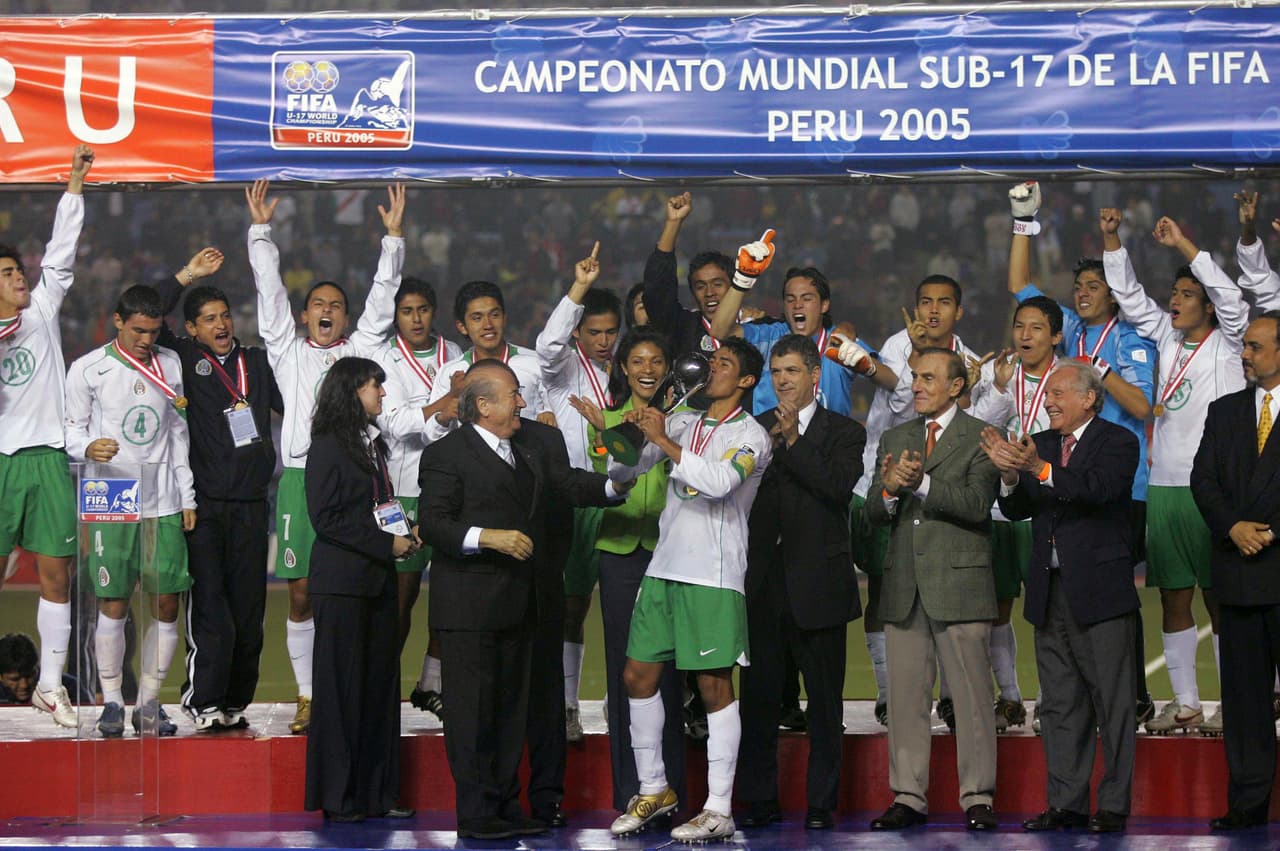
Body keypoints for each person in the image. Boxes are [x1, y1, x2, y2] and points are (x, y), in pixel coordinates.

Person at [418, 361, 622, 841]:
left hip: (523, 604)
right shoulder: (446, 454)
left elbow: (568, 484)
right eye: (514, 395)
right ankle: (477, 812)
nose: (524, 403)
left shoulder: (532, 444)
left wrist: (616, 485)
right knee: (473, 714)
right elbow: (434, 523)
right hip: (470, 608)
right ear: (483, 405)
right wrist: (488, 537)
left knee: (511, 713)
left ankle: (507, 807)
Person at [247, 179, 404, 734]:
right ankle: (309, 695)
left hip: (355, 480)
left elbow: (381, 304)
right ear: (304, 314)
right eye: (319, 304)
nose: (328, 310)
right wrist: (261, 233)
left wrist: (392, 240)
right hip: (298, 478)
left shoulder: (358, 353)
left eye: (336, 305)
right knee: (301, 592)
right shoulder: (287, 352)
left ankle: (354, 688)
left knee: (360, 587)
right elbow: (269, 296)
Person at [607, 336, 773, 843]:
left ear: (746, 380)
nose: (711, 368)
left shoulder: (751, 435)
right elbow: (625, 473)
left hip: (713, 575)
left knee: (713, 686)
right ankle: (654, 789)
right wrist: (630, 438)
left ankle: (719, 807)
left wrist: (664, 439)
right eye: (711, 361)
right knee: (637, 676)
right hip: (663, 567)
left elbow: (720, 482)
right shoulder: (681, 420)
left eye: (723, 363)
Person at [1006, 181, 1158, 729]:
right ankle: (1075, 696)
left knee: (1113, 594)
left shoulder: (1131, 340)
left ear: (1114, 294)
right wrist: (1023, 220)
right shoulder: (1069, 330)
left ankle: (1134, 694)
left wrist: (1100, 370)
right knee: (1067, 592)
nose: (1083, 293)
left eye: (1095, 286)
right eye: (1079, 286)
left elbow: (1142, 406)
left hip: (1121, 484)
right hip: (1064, 479)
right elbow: (1020, 286)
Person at [1103, 209, 1248, 735]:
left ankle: (1236, 701)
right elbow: (1129, 296)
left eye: (1188, 294)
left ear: (1208, 306)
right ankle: (1186, 703)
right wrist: (1112, 240)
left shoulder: (1230, 343)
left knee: (1221, 598)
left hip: (1214, 488)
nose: (1176, 300)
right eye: (1175, 293)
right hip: (1165, 485)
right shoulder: (1166, 336)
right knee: (1173, 596)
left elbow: (1231, 297)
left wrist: (1184, 244)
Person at [986, 360, 1140, 834]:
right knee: (1059, 705)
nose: (1048, 402)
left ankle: (1112, 805)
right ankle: (1066, 804)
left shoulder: (1118, 442)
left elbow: (1097, 490)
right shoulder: (1042, 443)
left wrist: (1038, 468)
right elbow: (1017, 509)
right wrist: (1010, 477)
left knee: (1113, 704)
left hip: (1101, 594)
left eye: (1057, 394)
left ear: (1088, 398)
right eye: (1048, 395)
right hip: (1049, 593)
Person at [864, 347, 1001, 833]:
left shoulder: (983, 436)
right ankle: (908, 796)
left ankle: (978, 797)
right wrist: (886, 490)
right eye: (915, 377)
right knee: (905, 701)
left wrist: (920, 483)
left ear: (956, 386)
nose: (916, 386)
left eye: (927, 378)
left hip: (960, 584)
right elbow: (873, 512)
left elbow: (977, 504)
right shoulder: (895, 436)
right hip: (905, 586)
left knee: (972, 700)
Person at [737, 335, 866, 831]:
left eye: (792, 371)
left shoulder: (845, 432)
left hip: (820, 586)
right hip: (763, 587)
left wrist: (793, 440)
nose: (783, 380)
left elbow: (836, 488)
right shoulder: (754, 429)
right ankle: (759, 800)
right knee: (759, 702)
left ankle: (821, 804)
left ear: (815, 375)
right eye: (776, 372)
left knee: (825, 705)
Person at [154, 249, 283, 732]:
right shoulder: (183, 359)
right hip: (205, 507)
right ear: (191, 329)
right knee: (212, 609)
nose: (221, 324)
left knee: (249, 614)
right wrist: (187, 274)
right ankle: (202, 700)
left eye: (225, 315)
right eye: (208, 319)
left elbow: (295, 408)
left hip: (252, 504)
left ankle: (233, 701)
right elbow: (151, 310)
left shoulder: (258, 362)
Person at [64, 284, 197, 738]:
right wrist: (86, 446)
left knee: (166, 601)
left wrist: (187, 495)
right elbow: (70, 428)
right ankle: (112, 702)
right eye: (138, 330)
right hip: (112, 493)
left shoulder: (170, 364)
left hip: (162, 498)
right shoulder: (89, 369)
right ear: (118, 321)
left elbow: (177, 433)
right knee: (113, 600)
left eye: (154, 331)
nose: (146, 340)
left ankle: (150, 702)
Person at [851, 276, 983, 726]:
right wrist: (908, 358)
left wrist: (971, 391)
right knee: (883, 592)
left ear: (958, 312)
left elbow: (968, 427)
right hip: (882, 482)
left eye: (944, 302)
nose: (933, 310)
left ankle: (949, 697)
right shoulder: (897, 345)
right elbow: (901, 404)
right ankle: (889, 696)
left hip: (940, 490)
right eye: (925, 301)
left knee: (945, 592)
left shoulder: (969, 361)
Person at [567, 328, 688, 819]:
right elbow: (607, 485)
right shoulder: (604, 421)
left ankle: (672, 790)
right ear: (623, 368)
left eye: (656, 360)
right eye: (637, 360)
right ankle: (629, 792)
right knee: (625, 672)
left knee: (670, 673)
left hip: (670, 554)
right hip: (619, 553)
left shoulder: (682, 422)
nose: (647, 369)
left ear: (668, 369)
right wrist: (607, 435)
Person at [0, 145, 93, 729]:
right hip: (1, 462)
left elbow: (61, 253)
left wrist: (74, 185)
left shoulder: (40, 311)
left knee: (58, 577)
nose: (20, 278)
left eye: (18, 272)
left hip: (50, 459)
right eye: (8, 274)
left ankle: (51, 686)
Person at [303, 357, 418, 823]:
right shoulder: (328, 445)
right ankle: (340, 797)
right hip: (342, 584)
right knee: (341, 691)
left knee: (380, 688)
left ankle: (379, 793)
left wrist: (403, 534)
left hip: (376, 581)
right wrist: (385, 543)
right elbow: (326, 519)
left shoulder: (372, 443)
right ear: (352, 391)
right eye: (375, 386)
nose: (382, 394)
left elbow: (376, 505)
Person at [1191, 311, 1280, 831]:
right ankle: (1248, 803)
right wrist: (1233, 527)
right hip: (1239, 577)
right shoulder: (1224, 411)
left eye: (1254, 347)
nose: (1244, 354)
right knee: (1245, 703)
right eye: (1244, 346)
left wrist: (1266, 531)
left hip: (1275, 564)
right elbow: (1203, 480)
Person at [534, 241, 622, 743]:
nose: (604, 341)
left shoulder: (628, 374)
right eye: (594, 332)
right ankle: (567, 706)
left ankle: (619, 699)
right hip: (574, 500)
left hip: (621, 497)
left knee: (624, 605)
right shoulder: (564, 366)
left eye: (611, 332)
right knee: (572, 607)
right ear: (579, 333)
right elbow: (547, 345)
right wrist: (579, 288)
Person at [370, 275, 461, 720]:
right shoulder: (384, 358)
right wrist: (446, 403)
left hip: (449, 490)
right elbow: (394, 422)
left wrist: (443, 410)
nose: (416, 318)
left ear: (434, 311)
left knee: (449, 597)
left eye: (422, 309)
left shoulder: (455, 354)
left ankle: (430, 683)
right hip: (401, 492)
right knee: (400, 600)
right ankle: (381, 687)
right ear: (395, 316)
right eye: (406, 311)